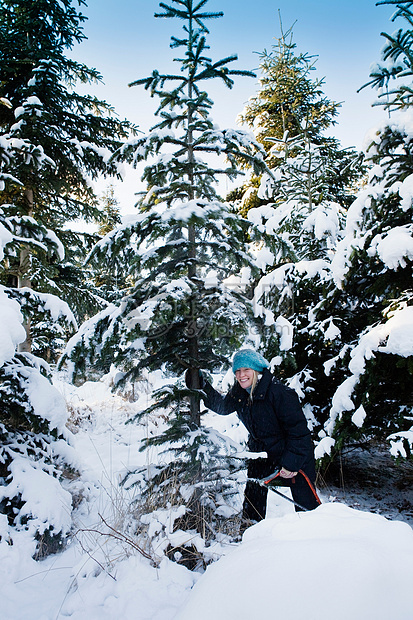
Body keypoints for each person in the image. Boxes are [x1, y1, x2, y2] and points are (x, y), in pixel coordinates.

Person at [187, 348, 320, 527]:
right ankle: (250, 534)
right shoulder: (241, 393)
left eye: (246, 370)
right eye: (238, 371)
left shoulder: (279, 393)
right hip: (262, 454)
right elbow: (223, 407)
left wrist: (291, 463)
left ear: (256, 370)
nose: (241, 375)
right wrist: (203, 385)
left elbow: (299, 433)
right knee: (253, 499)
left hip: (293, 454)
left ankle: (316, 534)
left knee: (307, 507)